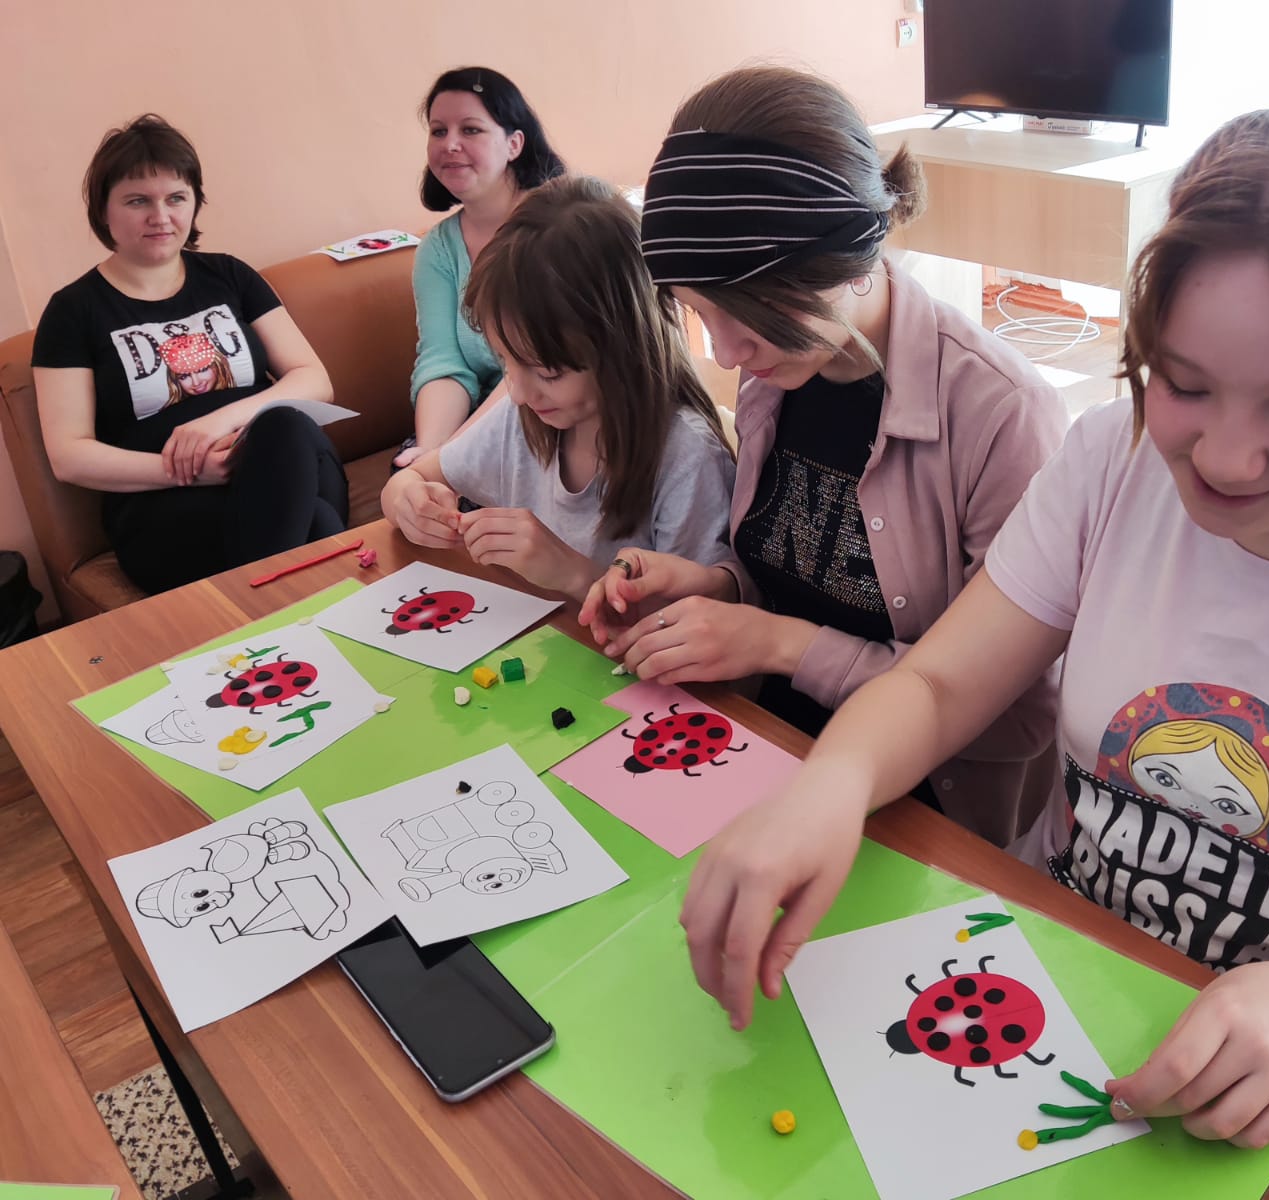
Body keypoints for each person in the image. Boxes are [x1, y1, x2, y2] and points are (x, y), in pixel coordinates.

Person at [675, 104, 1269, 1148]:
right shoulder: (1107, 458)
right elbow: (939, 684)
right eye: (1183, 384)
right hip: (1052, 968)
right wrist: (832, 786)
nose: (1224, 459)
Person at [579, 66, 1069, 847]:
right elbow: (802, 576)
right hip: (766, 753)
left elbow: (1013, 717)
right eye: (700, 314)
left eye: (747, 314)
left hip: (925, 815)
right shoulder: (778, 372)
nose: (725, 353)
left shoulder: (1000, 413)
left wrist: (777, 645)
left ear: (845, 260)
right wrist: (717, 586)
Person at [33, 114, 347, 595]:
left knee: (285, 425)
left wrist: (215, 424)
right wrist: (186, 471)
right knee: (317, 521)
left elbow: (313, 379)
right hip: (165, 502)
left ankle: (269, 618)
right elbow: (69, 456)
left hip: (279, 462)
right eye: (138, 200)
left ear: (195, 203)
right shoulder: (73, 311)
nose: (161, 216)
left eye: (176, 198)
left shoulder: (230, 276)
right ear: (103, 210)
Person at [381, 175, 735, 601]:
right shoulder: (522, 419)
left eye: (548, 373)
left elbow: (696, 621)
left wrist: (574, 574)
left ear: (624, 349)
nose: (519, 394)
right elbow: (415, 477)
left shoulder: (686, 456)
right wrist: (408, 500)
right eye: (506, 363)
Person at [393, 66, 567, 470]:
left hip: (558, 415)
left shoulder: (560, 226)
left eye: (470, 129)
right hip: (484, 427)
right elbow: (442, 362)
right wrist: (431, 453)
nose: (449, 144)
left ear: (514, 144)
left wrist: (450, 457)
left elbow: (538, 366)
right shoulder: (437, 249)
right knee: (409, 475)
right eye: (438, 131)